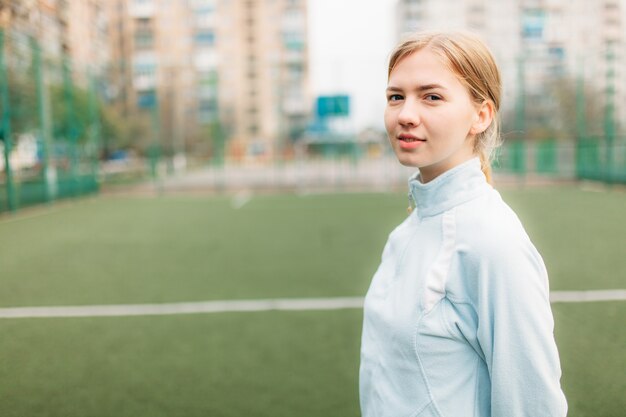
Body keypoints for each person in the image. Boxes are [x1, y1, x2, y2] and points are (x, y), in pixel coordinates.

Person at [359, 31, 568, 417]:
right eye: (396, 96)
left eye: (432, 96)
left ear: (481, 115)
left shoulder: (492, 241)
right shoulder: (405, 233)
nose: (405, 113)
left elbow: (532, 403)